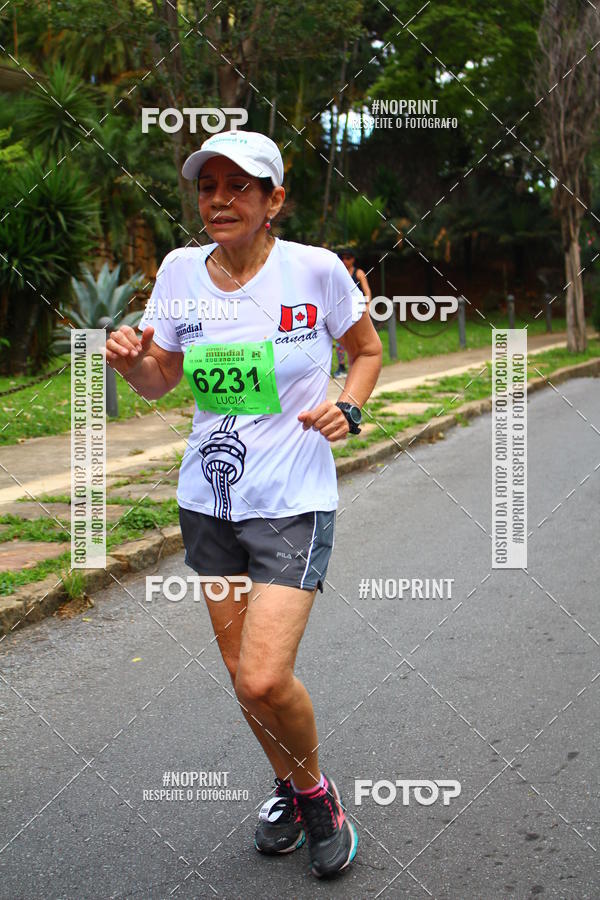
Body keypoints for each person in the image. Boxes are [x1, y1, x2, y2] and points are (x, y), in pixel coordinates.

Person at [105, 130, 382, 879]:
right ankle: (294, 792)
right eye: (208, 187)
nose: (220, 200)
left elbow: (367, 351)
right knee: (240, 675)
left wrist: (348, 410)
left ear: (274, 201)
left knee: (264, 676)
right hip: (210, 500)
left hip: (292, 498)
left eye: (240, 186)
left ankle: (317, 798)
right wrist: (136, 364)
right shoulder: (179, 271)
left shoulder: (316, 271)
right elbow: (163, 379)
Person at [334, 249, 372, 377]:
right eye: (342, 258)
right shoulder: (338, 273)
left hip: (357, 308)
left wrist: (368, 304)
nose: (345, 261)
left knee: (359, 339)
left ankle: (360, 365)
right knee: (341, 340)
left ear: (353, 259)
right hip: (342, 309)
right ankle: (341, 366)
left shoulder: (359, 273)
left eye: (348, 258)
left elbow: (366, 289)